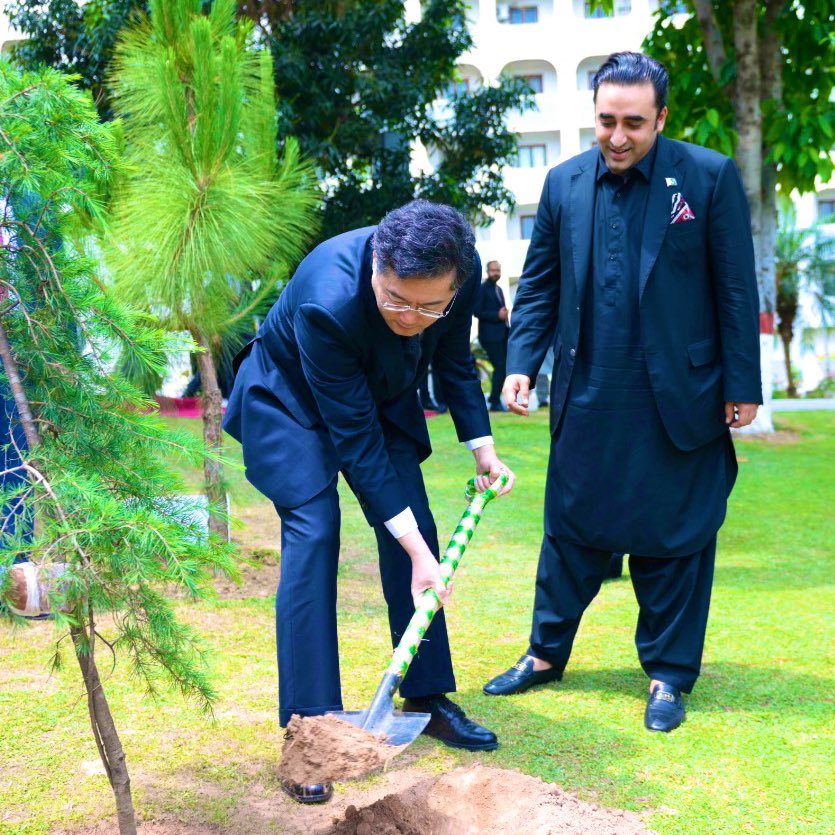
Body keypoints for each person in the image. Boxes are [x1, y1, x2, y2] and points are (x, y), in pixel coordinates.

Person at [482, 52, 761, 733]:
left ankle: (668, 674)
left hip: (680, 393)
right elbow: (540, 284)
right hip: (587, 392)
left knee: (675, 536)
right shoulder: (562, 184)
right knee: (570, 529)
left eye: (633, 123)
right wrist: (520, 361)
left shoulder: (706, 176)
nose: (616, 136)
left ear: (660, 118)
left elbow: (733, 286)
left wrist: (742, 383)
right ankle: (545, 654)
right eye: (605, 120)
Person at [224, 200, 515, 803]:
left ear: (455, 284)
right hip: (290, 399)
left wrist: (481, 446)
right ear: (377, 264)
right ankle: (312, 731)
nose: (413, 317)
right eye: (396, 300)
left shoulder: (448, 281)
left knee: (417, 528)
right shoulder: (327, 300)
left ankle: (427, 694)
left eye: (429, 305)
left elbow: (456, 364)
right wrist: (415, 552)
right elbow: (355, 441)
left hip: (378, 395)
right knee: (315, 528)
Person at [473, 260, 510, 411]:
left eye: (498, 270)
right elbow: (476, 311)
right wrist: (497, 315)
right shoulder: (482, 289)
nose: (496, 273)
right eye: (493, 270)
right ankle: (494, 401)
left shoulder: (499, 289)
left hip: (502, 334)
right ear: (488, 272)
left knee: (504, 368)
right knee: (500, 367)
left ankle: (495, 399)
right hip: (490, 336)